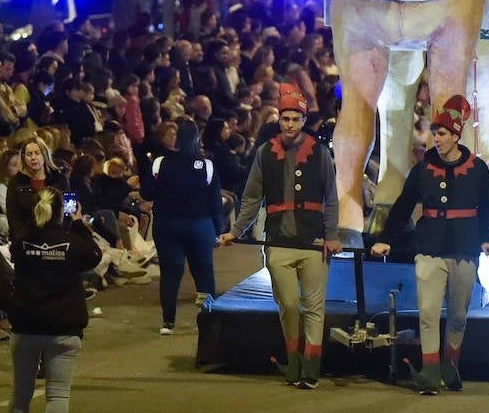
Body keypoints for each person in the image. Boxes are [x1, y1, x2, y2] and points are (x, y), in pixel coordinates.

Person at [371, 95, 489, 395]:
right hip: (428, 248)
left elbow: (487, 208)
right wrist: (384, 239)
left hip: (465, 250)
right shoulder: (422, 169)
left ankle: (450, 366)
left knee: (457, 316)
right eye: (434, 133)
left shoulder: (477, 169)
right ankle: (429, 372)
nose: (435, 139)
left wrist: (487, 239)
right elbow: (403, 207)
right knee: (427, 312)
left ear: (455, 135)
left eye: (441, 134)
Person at [219, 82, 341, 389]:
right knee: (288, 305)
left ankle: (310, 368)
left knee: (313, 308)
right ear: (280, 120)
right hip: (278, 245)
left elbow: (331, 197)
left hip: (313, 243)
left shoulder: (320, 153)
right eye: (285, 119)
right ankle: (294, 359)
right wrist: (236, 230)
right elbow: (251, 198)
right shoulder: (265, 153)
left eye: (295, 119)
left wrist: (332, 235)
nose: (289, 124)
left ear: (303, 120)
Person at [8, 186, 103, 413]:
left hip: (26, 325)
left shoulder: (22, 243)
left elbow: (17, 251)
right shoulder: (72, 244)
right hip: (63, 325)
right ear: (61, 212)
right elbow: (94, 255)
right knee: (58, 394)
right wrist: (79, 223)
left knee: (21, 393)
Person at [143, 117, 225, 335]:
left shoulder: (159, 163)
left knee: (170, 274)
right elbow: (215, 202)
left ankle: (168, 322)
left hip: (167, 225)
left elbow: (146, 193)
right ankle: (208, 319)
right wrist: (220, 231)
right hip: (200, 226)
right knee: (204, 271)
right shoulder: (206, 165)